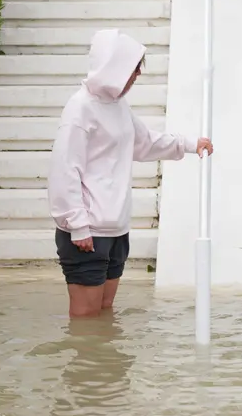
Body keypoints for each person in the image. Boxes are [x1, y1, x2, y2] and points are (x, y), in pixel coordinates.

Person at [48, 29, 213, 318]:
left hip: (116, 230)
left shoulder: (118, 106)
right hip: (87, 234)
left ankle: (107, 365)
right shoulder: (79, 110)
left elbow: (144, 142)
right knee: (86, 321)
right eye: (134, 69)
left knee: (104, 314)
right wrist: (78, 224)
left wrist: (189, 144)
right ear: (115, 67)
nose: (137, 75)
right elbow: (64, 170)